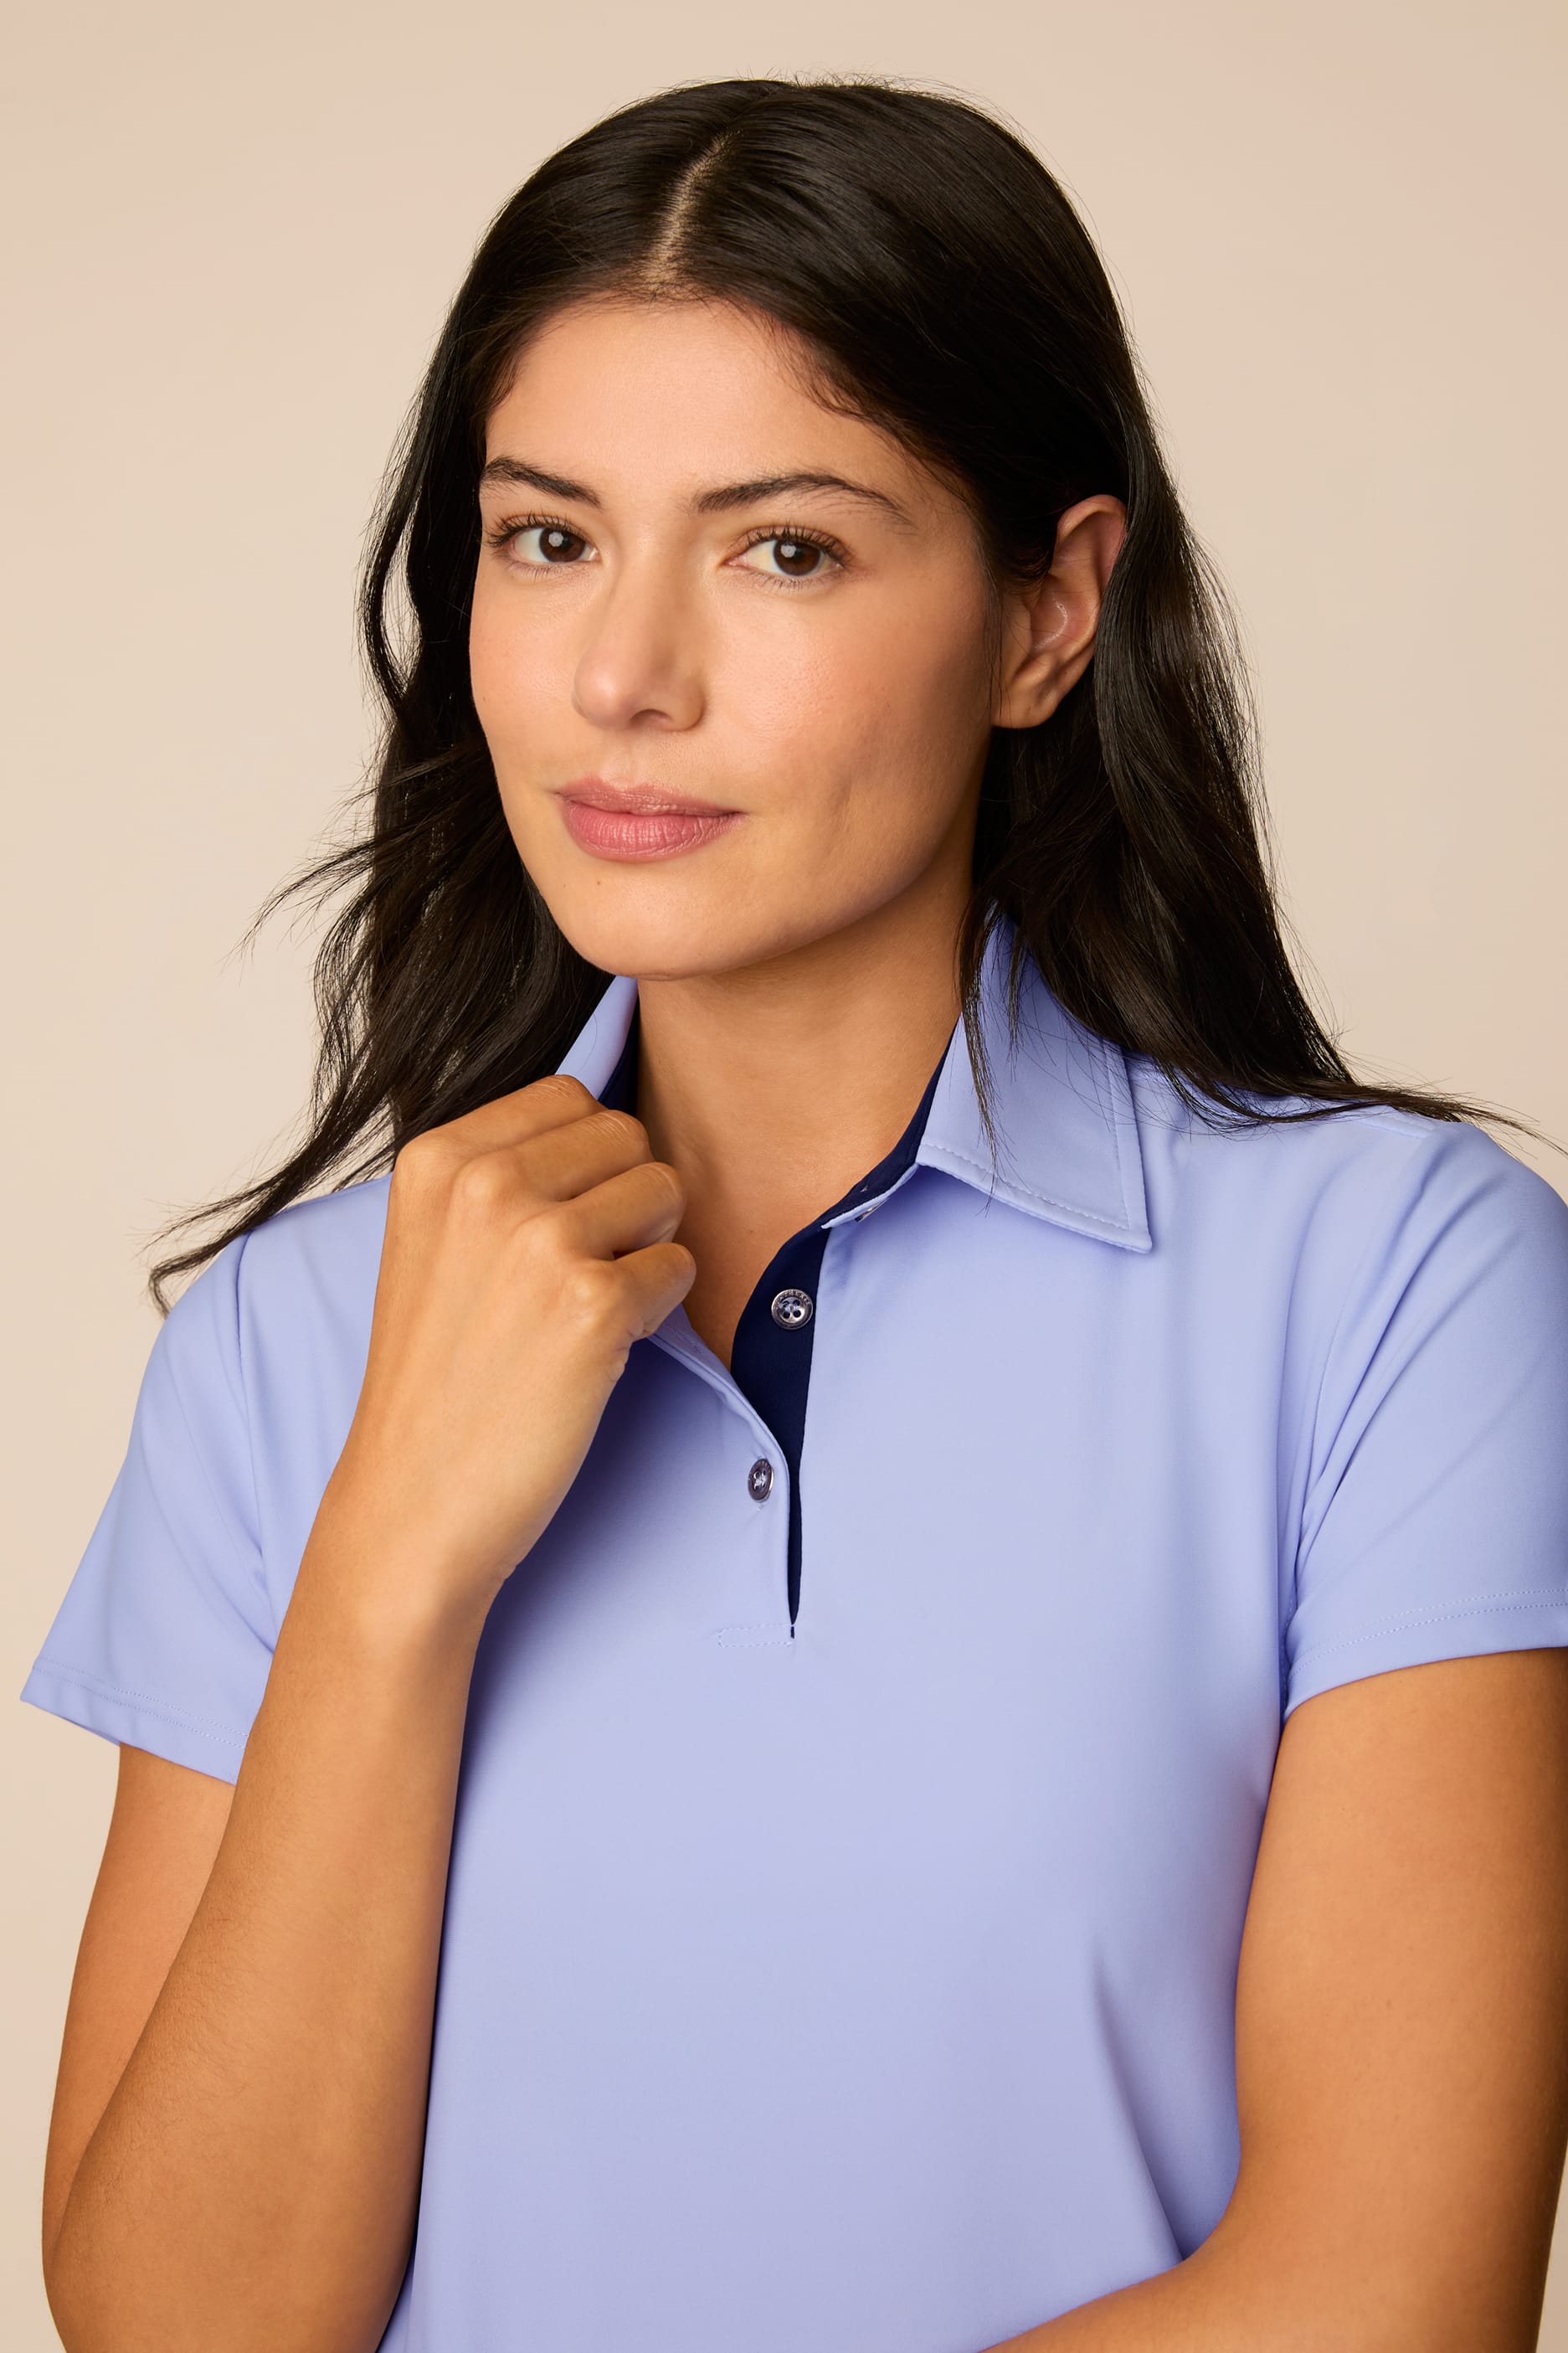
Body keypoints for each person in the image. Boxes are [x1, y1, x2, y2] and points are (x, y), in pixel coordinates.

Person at [21, 75, 1568, 2353]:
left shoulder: (1397, 1289)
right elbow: (182, 2328)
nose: (624, 676)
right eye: (548, 538)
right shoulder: (282, 1343)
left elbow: (1380, 2297)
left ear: (1051, 614)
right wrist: (384, 1579)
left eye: (783, 548)